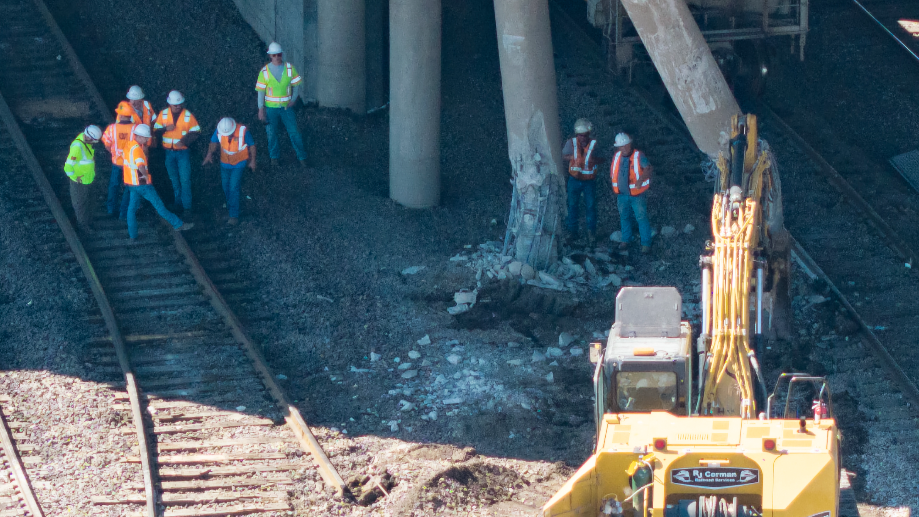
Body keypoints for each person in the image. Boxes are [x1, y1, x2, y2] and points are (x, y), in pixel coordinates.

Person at [123, 124, 194, 239]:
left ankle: (133, 235)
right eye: (146, 138)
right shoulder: (137, 150)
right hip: (143, 185)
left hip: (132, 184)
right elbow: (140, 165)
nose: (147, 140)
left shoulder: (129, 146)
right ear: (140, 137)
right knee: (160, 206)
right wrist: (146, 176)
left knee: (131, 210)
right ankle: (178, 224)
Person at [255, 41, 307, 167]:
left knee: (294, 132)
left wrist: (293, 99)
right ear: (270, 56)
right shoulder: (264, 72)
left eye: (278, 54)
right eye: (274, 55)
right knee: (271, 134)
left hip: (286, 108)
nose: (277, 57)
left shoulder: (289, 68)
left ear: (281, 54)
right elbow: (261, 92)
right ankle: (274, 158)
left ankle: (302, 158)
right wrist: (260, 109)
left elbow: (296, 85)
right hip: (271, 109)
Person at [154, 90, 201, 215]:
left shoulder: (187, 115)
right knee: (174, 179)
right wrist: (165, 129)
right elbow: (155, 131)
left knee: (185, 180)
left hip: (182, 153)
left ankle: (187, 207)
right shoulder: (163, 115)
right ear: (170, 104)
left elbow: (196, 131)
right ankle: (178, 203)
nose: (178, 106)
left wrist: (184, 141)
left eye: (180, 104)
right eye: (175, 104)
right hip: (168, 153)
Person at [202, 117, 256, 225]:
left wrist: (253, 161)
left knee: (233, 187)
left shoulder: (242, 131)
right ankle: (231, 206)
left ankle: (234, 215)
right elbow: (213, 142)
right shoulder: (220, 130)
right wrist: (209, 154)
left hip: (239, 163)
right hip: (225, 163)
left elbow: (252, 146)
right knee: (225, 186)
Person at [610, 132, 653, 254]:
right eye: (621, 146)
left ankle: (646, 243)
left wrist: (640, 180)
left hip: (637, 195)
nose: (623, 148)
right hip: (622, 195)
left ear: (630, 144)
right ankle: (625, 240)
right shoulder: (617, 156)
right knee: (624, 217)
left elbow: (648, 168)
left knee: (641, 218)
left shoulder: (638, 156)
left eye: (625, 146)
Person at [562, 118, 600, 248]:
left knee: (590, 207)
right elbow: (564, 155)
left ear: (588, 134)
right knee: (572, 205)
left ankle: (591, 233)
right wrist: (573, 158)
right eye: (580, 135)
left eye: (584, 135)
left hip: (589, 181)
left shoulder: (594, 144)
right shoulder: (571, 143)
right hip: (574, 179)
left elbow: (601, 158)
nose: (582, 138)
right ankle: (573, 232)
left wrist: (591, 160)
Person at [101, 104, 137, 218]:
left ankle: (111, 209)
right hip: (130, 164)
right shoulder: (136, 129)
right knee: (128, 187)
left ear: (120, 115)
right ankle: (123, 212)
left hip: (117, 163)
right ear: (130, 115)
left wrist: (114, 153)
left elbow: (107, 144)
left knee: (114, 185)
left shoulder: (112, 128)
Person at [63, 125, 102, 232]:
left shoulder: (85, 141)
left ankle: (88, 222)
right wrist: (75, 177)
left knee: (89, 202)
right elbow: (68, 167)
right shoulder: (77, 148)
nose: (94, 143)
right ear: (89, 138)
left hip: (88, 179)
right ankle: (83, 226)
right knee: (80, 204)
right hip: (80, 182)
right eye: (94, 141)